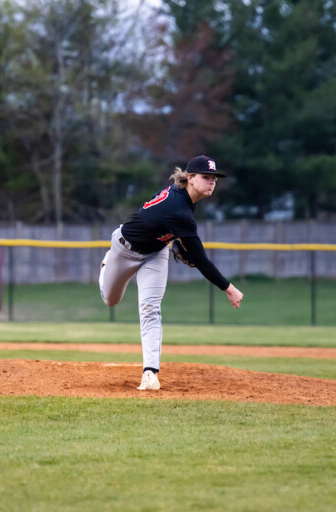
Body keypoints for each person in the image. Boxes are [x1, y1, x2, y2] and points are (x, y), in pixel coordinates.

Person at [98, 155, 244, 390]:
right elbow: (200, 260)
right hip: (124, 249)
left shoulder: (184, 201)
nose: (211, 182)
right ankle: (106, 264)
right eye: (206, 177)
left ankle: (150, 373)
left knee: (150, 308)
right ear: (190, 178)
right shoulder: (178, 210)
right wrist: (229, 288)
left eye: (214, 178)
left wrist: (173, 238)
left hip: (156, 252)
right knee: (110, 299)